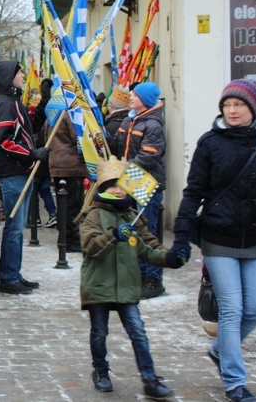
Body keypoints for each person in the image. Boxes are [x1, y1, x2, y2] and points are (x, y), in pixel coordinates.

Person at [173, 79, 256, 402]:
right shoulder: (210, 143)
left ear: (254, 108)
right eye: (227, 105)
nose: (232, 111)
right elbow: (194, 192)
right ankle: (235, 382)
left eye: (239, 105)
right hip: (218, 234)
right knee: (231, 309)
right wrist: (180, 233)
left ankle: (220, 349)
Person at [78, 156, 187, 400]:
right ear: (103, 189)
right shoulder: (93, 215)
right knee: (99, 332)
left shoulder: (132, 216)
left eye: (121, 186)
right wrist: (114, 235)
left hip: (126, 285)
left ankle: (149, 379)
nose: (117, 191)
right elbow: (91, 247)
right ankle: (101, 370)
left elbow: (148, 247)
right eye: (112, 186)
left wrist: (169, 258)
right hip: (99, 285)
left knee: (138, 331)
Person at [0, 60, 49, 294]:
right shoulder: (6, 105)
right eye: (19, 72)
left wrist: (43, 105)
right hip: (12, 175)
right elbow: (4, 141)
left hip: (18, 173)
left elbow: (23, 130)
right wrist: (31, 154)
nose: (23, 75)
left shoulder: (12, 102)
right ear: (8, 77)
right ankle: (9, 278)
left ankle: (14, 273)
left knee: (18, 227)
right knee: (14, 228)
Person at [109, 81, 167, 299]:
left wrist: (124, 175)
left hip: (146, 183)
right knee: (135, 228)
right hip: (134, 181)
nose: (130, 98)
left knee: (148, 231)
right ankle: (141, 275)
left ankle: (154, 279)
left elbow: (148, 156)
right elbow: (116, 143)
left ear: (146, 100)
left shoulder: (153, 125)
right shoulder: (130, 119)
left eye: (134, 95)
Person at [46, 112, 87, 252]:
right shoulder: (71, 113)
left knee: (63, 203)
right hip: (71, 164)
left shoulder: (53, 113)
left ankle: (64, 237)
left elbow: (45, 137)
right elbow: (79, 137)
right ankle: (69, 239)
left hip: (57, 163)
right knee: (72, 204)